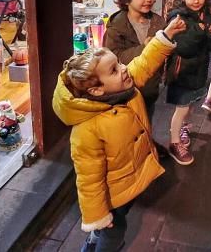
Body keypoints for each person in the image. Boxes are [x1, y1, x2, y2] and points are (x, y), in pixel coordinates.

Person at [52, 16, 187, 252]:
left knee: (116, 220)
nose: (124, 68)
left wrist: (166, 35)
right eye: (114, 69)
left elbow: (144, 62)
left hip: (129, 182)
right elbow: (89, 180)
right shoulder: (87, 130)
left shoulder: (121, 87)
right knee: (114, 232)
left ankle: (97, 236)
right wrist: (98, 215)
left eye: (119, 64)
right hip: (110, 196)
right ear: (96, 89)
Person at [163, 0, 211, 165]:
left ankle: (182, 129)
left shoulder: (205, 14)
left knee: (189, 105)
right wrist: (204, 30)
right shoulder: (177, 18)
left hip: (199, 69)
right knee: (182, 108)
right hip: (182, 72)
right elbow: (184, 47)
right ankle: (174, 143)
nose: (197, 1)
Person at [104, 0, 166, 124]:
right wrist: (144, 47)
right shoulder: (117, 26)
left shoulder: (158, 22)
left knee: (146, 123)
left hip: (149, 89)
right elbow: (114, 58)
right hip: (124, 91)